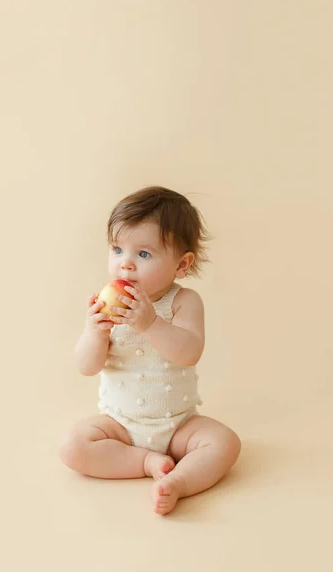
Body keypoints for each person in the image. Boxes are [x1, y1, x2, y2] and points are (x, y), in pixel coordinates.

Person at [60, 186, 241, 515]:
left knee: (225, 443)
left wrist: (150, 324)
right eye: (117, 249)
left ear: (181, 265)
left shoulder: (183, 302)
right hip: (119, 425)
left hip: (179, 426)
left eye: (143, 254)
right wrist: (94, 332)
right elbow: (86, 366)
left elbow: (189, 352)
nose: (125, 264)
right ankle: (145, 462)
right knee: (73, 447)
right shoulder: (106, 303)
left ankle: (179, 482)